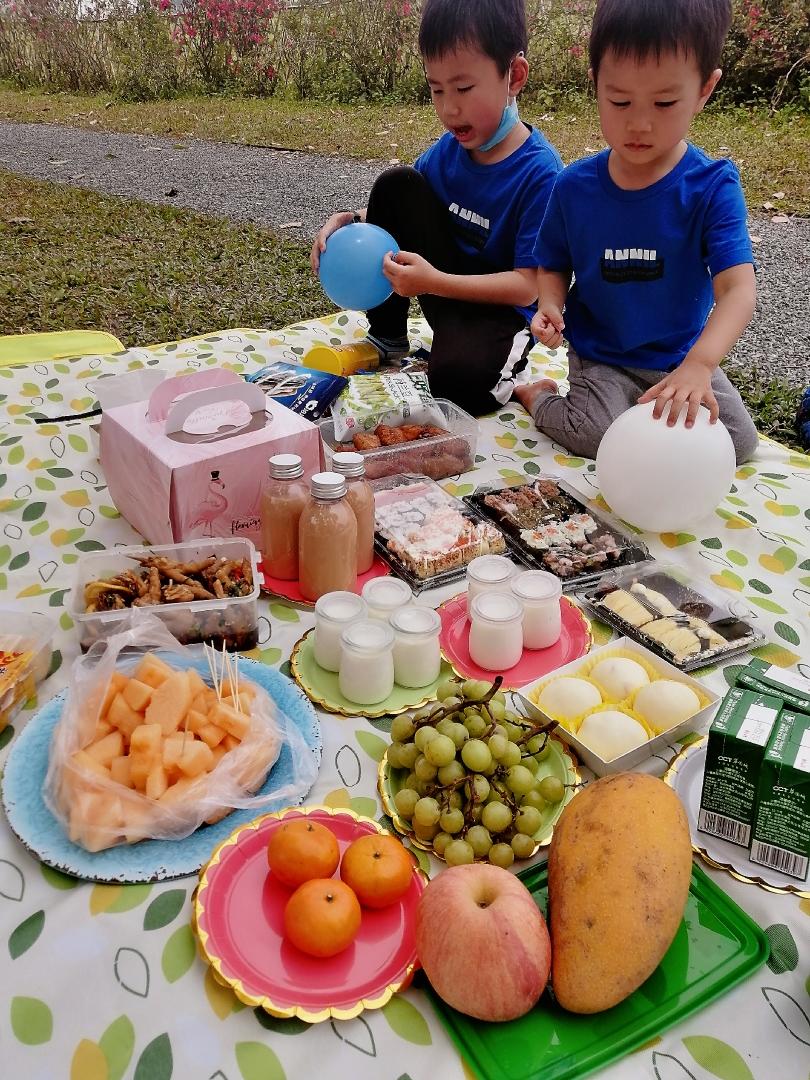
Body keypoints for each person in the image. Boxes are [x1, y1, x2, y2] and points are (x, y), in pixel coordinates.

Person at [514, 0, 759, 465]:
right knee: (595, 436)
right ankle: (536, 395)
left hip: (678, 358)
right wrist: (550, 303)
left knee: (738, 444)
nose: (639, 123)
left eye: (665, 102)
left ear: (706, 88)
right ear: (596, 84)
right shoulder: (575, 186)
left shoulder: (711, 186)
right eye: (620, 100)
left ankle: (643, 410)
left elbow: (737, 290)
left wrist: (700, 365)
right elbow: (553, 263)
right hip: (602, 354)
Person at [310, 0, 563, 417]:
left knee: (460, 388)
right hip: (445, 293)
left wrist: (434, 282)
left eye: (463, 89)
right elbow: (402, 213)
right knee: (397, 183)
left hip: (497, 316)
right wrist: (348, 222)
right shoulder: (448, 153)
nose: (449, 109)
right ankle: (388, 337)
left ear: (513, 76)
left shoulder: (541, 173)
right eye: (436, 89)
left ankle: (518, 383)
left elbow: (527, 287)